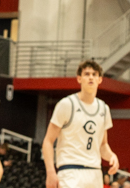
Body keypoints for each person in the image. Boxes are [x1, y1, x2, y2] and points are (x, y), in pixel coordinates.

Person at [42, 60, 119, 188]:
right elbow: (48, 141)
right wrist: (50, 172)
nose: (90, 77)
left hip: (95, 172)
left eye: (94, 74)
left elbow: (103, 145)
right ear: (79, 79)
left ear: (100, 80)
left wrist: (112, 156)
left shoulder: (104, 108)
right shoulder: (66, 104)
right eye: (87, 74)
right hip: (70, 171)